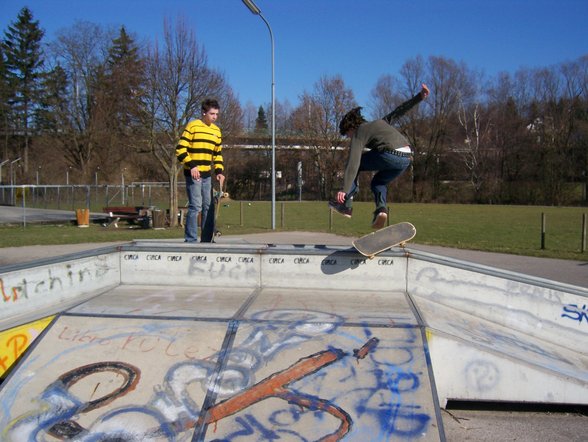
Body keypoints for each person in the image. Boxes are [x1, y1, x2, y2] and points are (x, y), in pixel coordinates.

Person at [329, 84, 430, 229]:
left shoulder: (359, 132)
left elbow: (353, 163)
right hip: (406, 158)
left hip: (390, 154)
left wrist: (344, 189)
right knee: (378, 182)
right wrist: (420, 97)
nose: (349, 138)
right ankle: (381, 210)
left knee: (358, 164)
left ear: (351, 128)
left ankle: (346, 205)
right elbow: (399, 111)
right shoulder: (381, 122)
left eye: (347, 135)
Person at [176, 98, 225, 243]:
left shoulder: (216, 131)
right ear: (204, 112)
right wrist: (192, 165)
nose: (215, 117)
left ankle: (207, 240)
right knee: (195, 206)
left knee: (208, 207)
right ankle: (190, 240)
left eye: (216, 114)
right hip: (194, 174)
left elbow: (217, 154)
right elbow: (180, 150)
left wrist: (219, 172)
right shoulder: (193, 126)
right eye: (212, 114)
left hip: (207, 175)